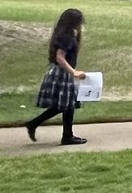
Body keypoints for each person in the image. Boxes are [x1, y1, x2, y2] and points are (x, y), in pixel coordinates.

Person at [27, 8, 88, 145]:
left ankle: (66, 135)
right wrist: (74, 72)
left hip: (60, 71)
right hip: (61, 73)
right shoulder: (66, 37)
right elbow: (60, 57)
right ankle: (37, 125)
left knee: (68, 105)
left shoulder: (65, 33)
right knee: (65, 105)